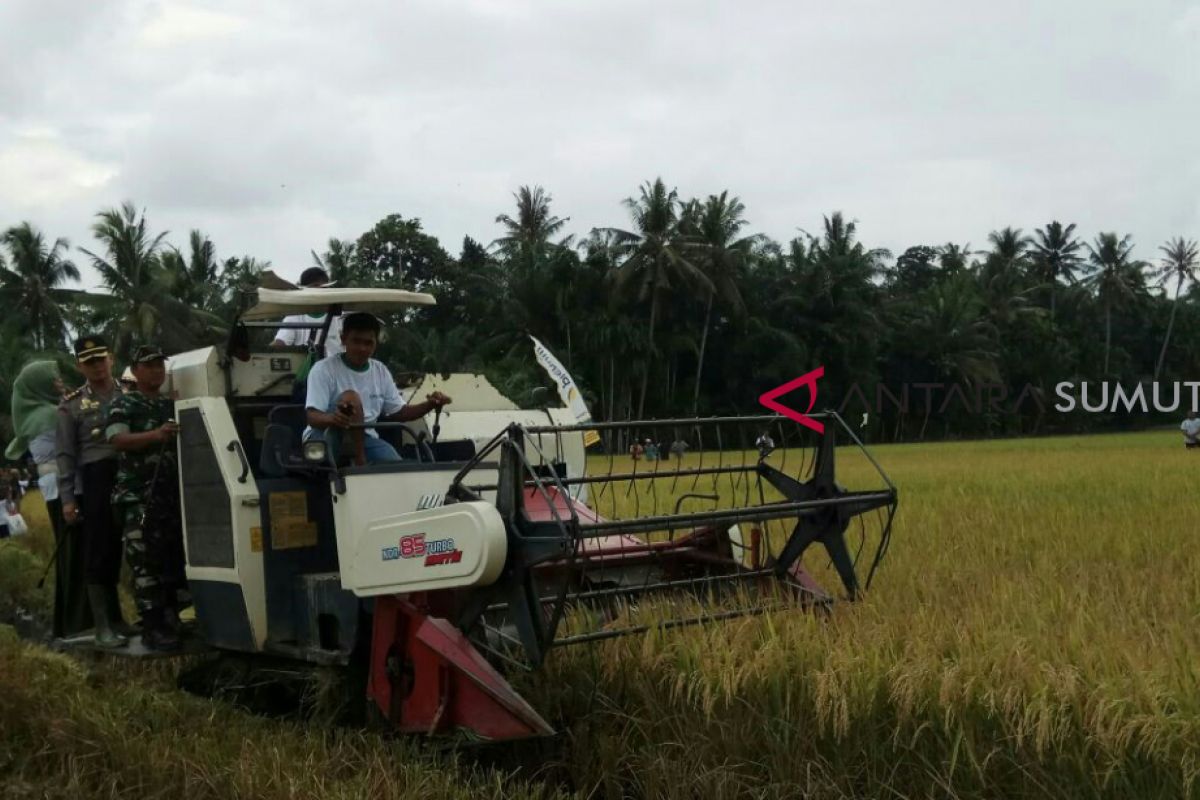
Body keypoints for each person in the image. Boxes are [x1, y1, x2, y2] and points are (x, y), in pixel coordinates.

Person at [106, 345, 186, 652]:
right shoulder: (124, 404)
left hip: (171, 497)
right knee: (144, 563)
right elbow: (117, 440)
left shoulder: (170, 405)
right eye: (149, 365)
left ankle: (172, 618)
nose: (156, 370)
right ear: (135, 370)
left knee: (171, 558)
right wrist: (155, 435)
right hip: (138, 497)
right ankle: (152, 626)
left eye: (159, 365)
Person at [5, 360, 92, 637]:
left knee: (71, 554)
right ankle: (79, 623)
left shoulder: (38, 413)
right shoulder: (48, 416)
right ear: (40, 385)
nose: (59, 383)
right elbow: (77, 443)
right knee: (76, 554)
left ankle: (70, 622)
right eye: (53, 380)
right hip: (69, 489)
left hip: (58, 490)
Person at [58, 336, 131, 648]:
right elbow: (65, 456)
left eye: (101, 359)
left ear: (111, 359)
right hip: (96, 477)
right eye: (89, 362)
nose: (97, 366)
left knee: (135, 547)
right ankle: (102, 625)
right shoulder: (70, 405)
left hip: (132, 473)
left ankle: (119, 619)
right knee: (100, 550)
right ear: (80, 366)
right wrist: (68, 499)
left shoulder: (130, 393)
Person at [304, 313, 451, 466]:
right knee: (351, 398)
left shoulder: (380, 371)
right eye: (356, 341)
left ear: (376, 343)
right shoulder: (323, 369)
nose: (362, 348)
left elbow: (399, 412)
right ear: (343, 339)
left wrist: (430, 404)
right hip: (326, 434)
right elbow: (312, 417)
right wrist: (333, 419)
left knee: (398, 469)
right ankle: (361, 464)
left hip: (367, 437)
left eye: (368, 343)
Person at [271, 267, 344, 359]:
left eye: (324, 288)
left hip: (336, 368)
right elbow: (281, 342)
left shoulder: (339, 315)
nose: (319, 292)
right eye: (315, 288)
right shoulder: (294, 317)